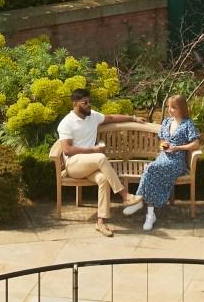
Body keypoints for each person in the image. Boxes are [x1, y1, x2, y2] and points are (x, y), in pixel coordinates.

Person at [53, 87, 140, 235]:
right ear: (75, 103)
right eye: (84, 102)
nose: (88, 105)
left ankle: (101, 222)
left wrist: (133, 118)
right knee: (100, 157)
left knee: (103, 179)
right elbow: (67, 149)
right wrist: (93, 151)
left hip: (90, 164)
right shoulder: (66, 123)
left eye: (89, 102)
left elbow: (111, 118)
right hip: (74, 165)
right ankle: (125, 195)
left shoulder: (92, 116)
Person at [133, 94, 200, 231]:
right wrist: (164, 145)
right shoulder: (166, 122)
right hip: (163, 157)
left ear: (182, 108)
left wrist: (178, 148)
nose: (170, 110)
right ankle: (150, 214)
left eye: (174, 107)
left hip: (177, 161)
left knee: (150, 168)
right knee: (150, 169)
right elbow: (161, 141)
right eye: (169, 107)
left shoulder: (188, 124)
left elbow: (196, 144)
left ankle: (139, 200)